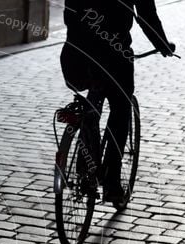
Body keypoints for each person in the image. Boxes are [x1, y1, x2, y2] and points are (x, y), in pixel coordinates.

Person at [61, 0, 175, 204]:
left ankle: (85, 159)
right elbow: (146, 15)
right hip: (115, 56)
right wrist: (163, 45)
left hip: (74, 57)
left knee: (92, 99)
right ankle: (112, 182)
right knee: (121, 109)